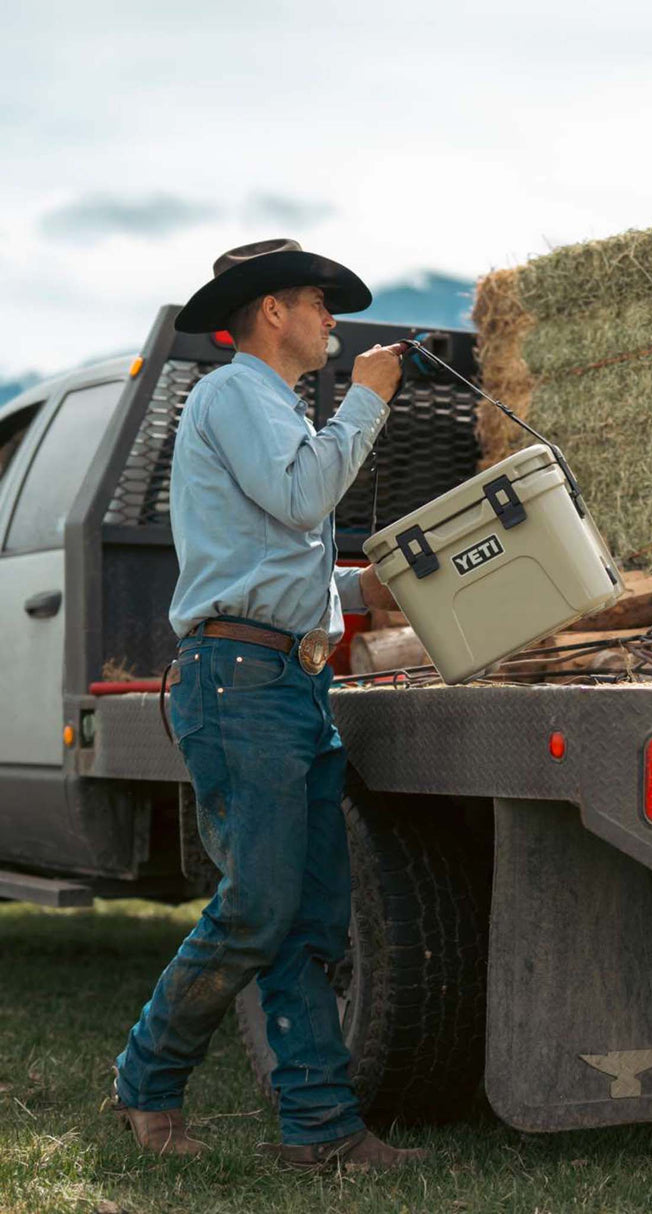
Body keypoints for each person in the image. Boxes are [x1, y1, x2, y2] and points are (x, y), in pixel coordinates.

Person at [110, 239, 425, 1171]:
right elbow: (303, 497)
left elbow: (281, 559)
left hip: (283, 679)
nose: (335, 319)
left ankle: (321, 1131)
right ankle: (145, 1075)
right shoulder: (234, 394)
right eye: (319, 302)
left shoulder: (268, 406)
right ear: (271, 312)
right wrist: (370, 395)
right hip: (240, 683)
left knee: (308, 917)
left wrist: (376, 592)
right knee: (258, 905)